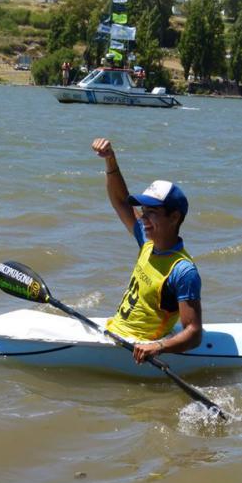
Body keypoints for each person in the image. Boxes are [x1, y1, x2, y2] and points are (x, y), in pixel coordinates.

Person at [91, 138, 203, 364]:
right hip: (115, 331)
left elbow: (193, 333)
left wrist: (157, 347)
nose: (144, 219)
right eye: (143, 211)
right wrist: (110, 161)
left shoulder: (182, 271)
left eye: (152, 212)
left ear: (174, 217)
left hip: (137, 347)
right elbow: (121, 202)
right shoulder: (147, 241)